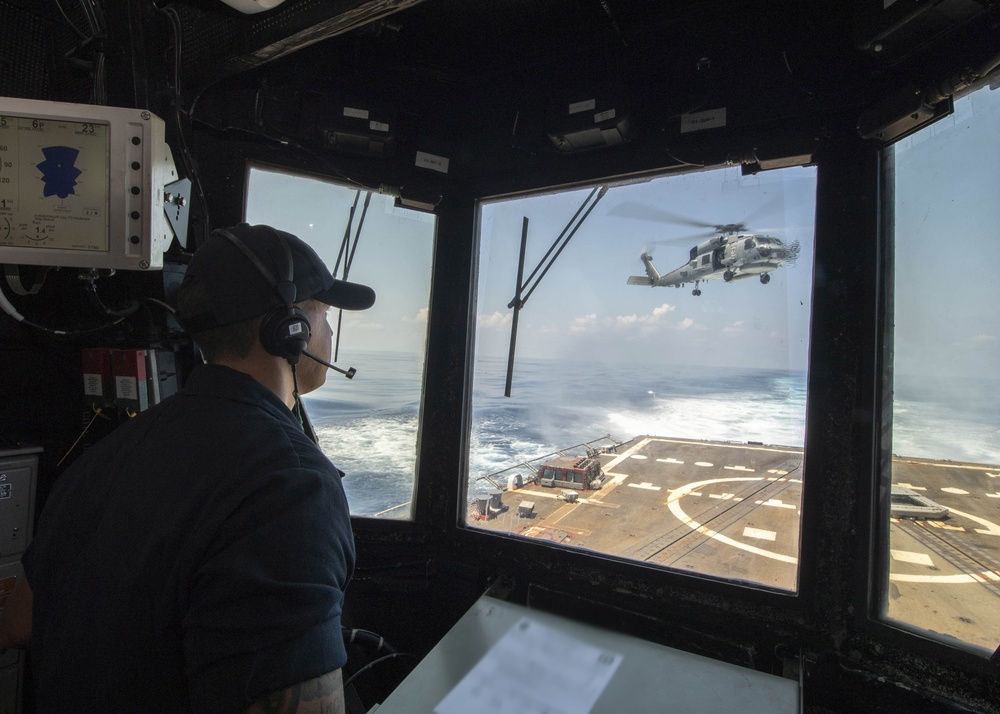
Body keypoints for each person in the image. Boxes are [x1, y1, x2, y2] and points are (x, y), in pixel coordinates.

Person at [0, 223, 375, 713]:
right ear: (290, 329)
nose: (330, 333)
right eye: (324, 315)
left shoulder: (104, 457)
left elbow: (18, 624)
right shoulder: (292, 485)